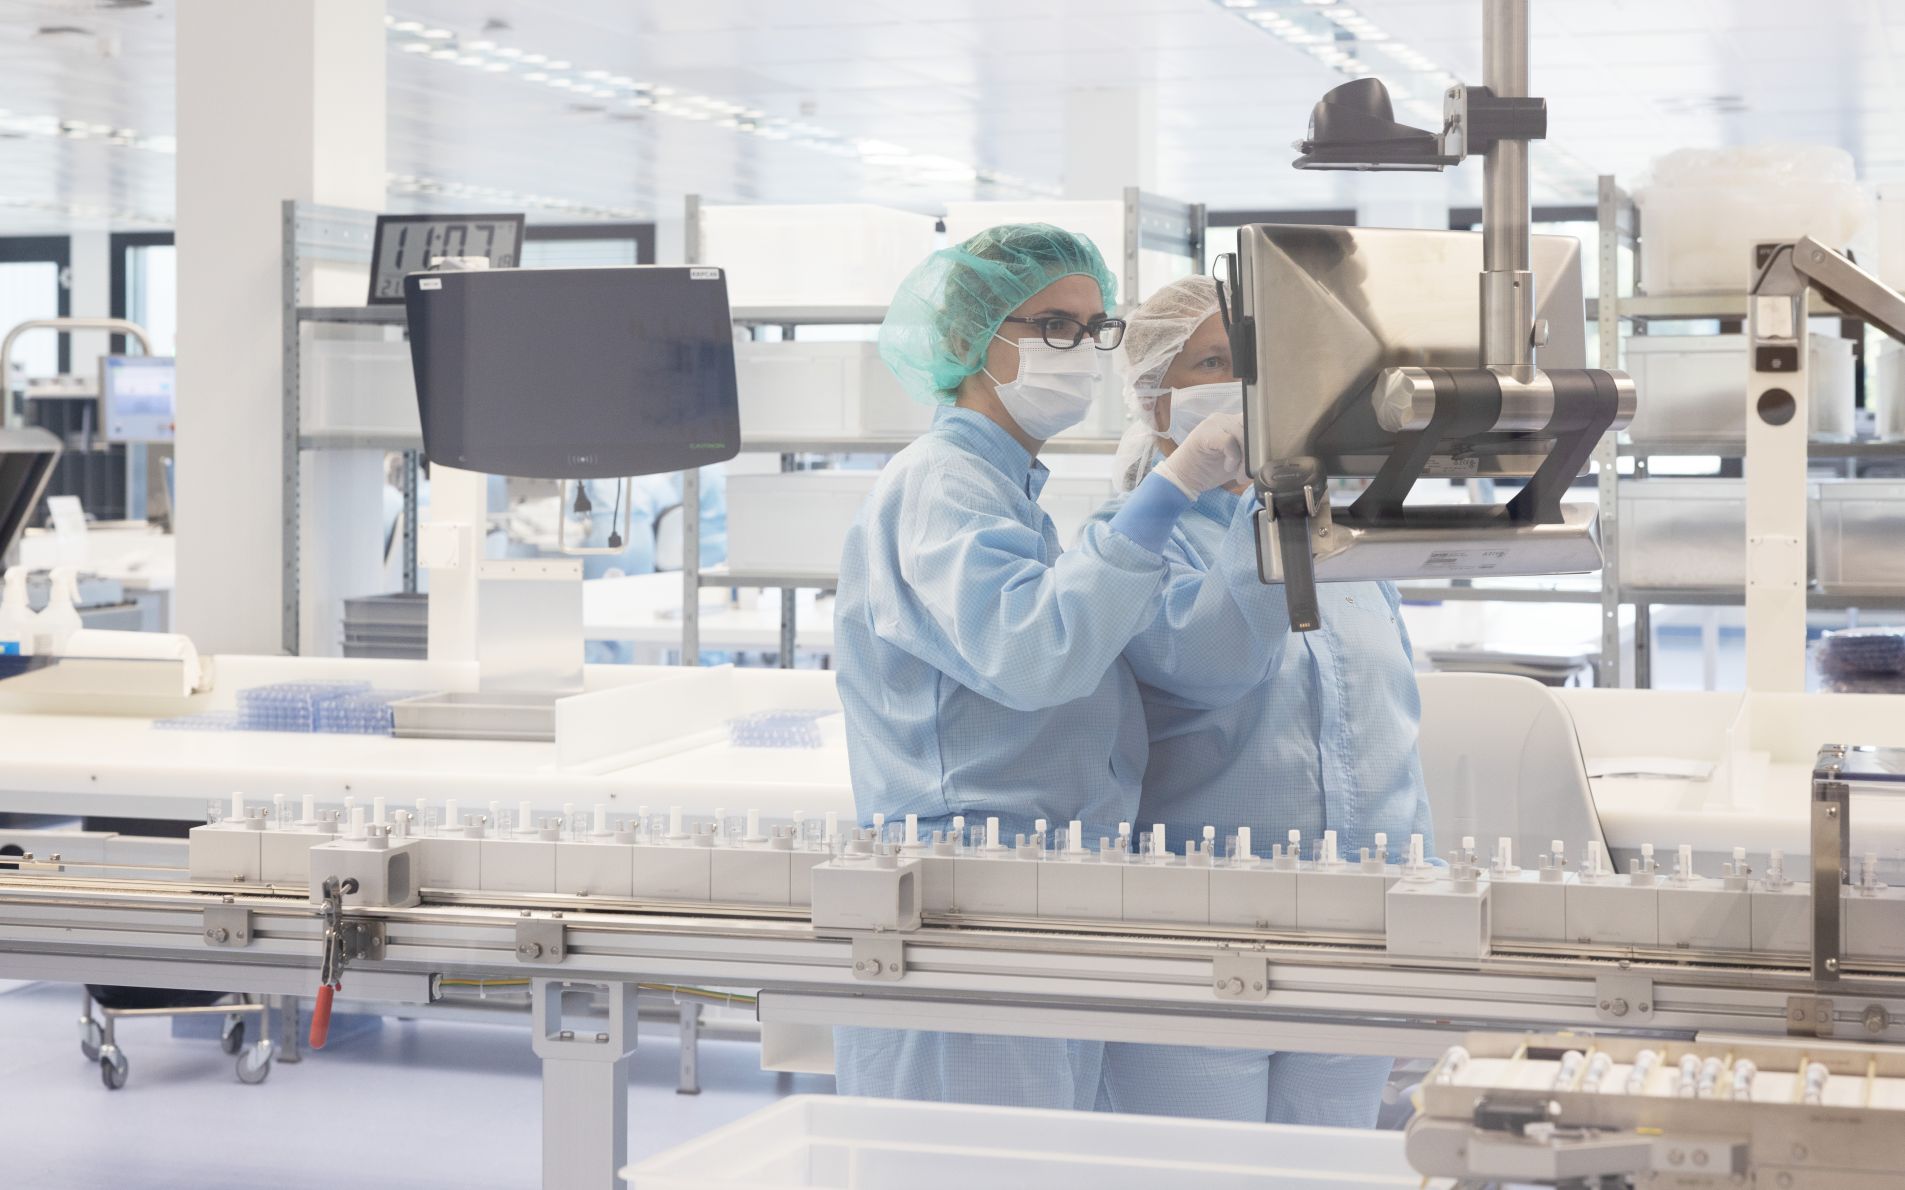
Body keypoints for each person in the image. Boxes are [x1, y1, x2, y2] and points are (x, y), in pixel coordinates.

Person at [832, 226, 1249, 1109]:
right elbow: (1035, 656)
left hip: (1033, 886)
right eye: (1054, 324)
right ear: (965, 340)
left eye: (1095, 328)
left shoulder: (1009, 488)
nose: (1083, 350)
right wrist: (1166, 492)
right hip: (963, 893)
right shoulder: (939, 484)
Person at [1093, 274, 1433, 1126]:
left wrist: (1420, 926)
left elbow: (1391, 739)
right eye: (1211, 361)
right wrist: (1265, 517)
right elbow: (1204, 663)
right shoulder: (1129, 541)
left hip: (1352, 938)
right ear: (1154, 397)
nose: (1242, 383)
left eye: (1258, 363)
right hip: (1198, 940)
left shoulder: (1344, 543)